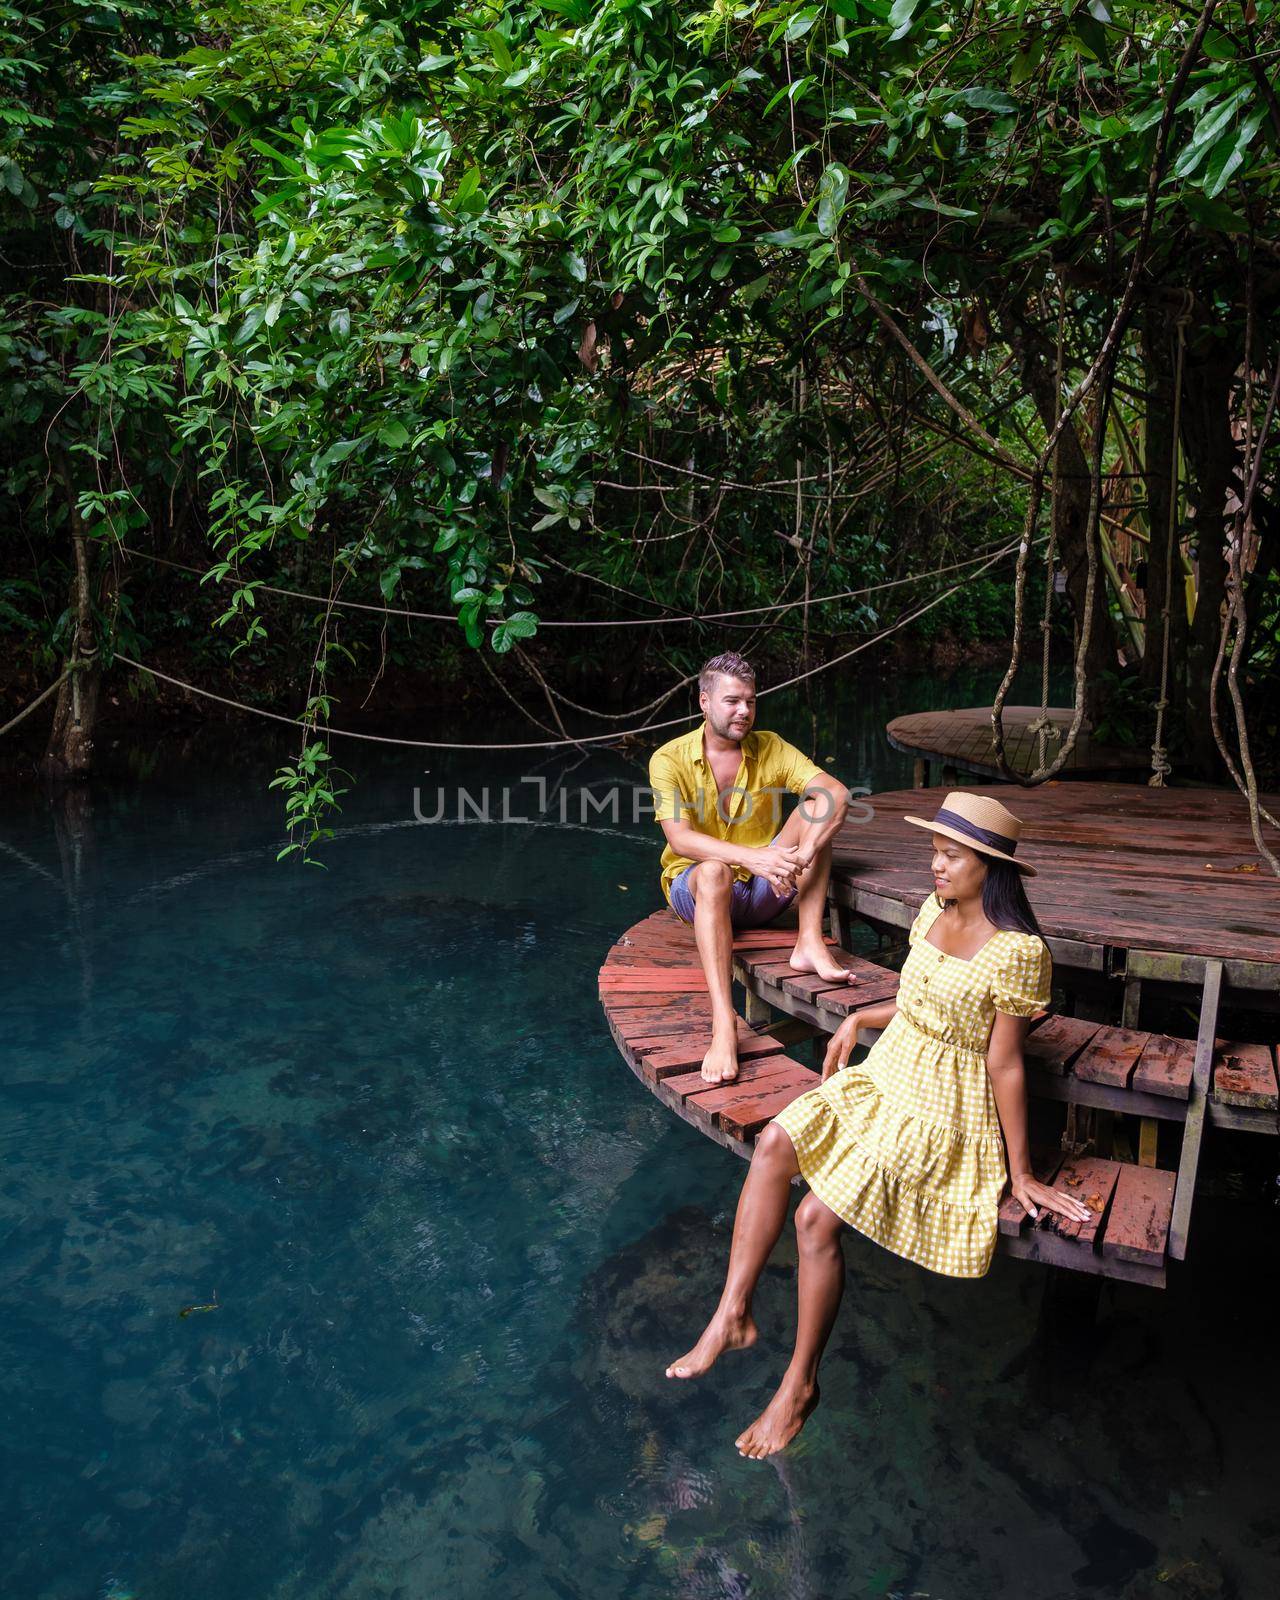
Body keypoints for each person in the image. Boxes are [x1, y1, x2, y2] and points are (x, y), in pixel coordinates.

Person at [664, 791, 1093, 1458]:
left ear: (988, 865)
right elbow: (920, 999)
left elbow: (1005, 1063)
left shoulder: (1016, 951)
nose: (935, 865)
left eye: (950, 856)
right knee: (776, 1143)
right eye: (934, 852)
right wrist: (864, 1018)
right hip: (889, 1069)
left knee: (814, 1219)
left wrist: (1023, 1172)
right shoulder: (932, 911)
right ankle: (733, 1314)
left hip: (945, 1102)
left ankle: (800, 1384)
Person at [648, 652, 852, 1086]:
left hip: (765, 886)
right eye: (732, 701)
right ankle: (725, 1024)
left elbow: (834, 791)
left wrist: (806, 850)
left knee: (818, 808)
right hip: (698, 888)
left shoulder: (770, 746)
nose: (744, 711)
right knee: (714, 871)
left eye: (751, 701)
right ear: (704, 701)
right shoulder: (668, 759)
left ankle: (809, 941)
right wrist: (754, 857)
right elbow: (679, 839)